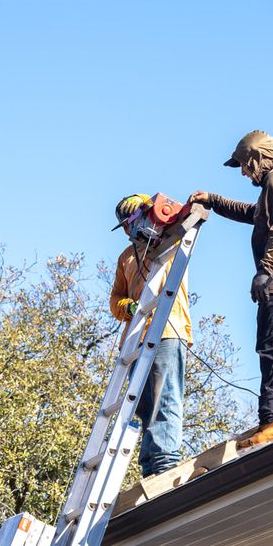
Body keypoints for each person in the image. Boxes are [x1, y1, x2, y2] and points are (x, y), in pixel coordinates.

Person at [189, 130, 273, 448]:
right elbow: (255, 215)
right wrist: (214, 201)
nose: (243, 171)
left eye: (244, 164)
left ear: (257, 158)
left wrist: (265, 272)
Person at [110, 193, 192, 477]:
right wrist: (129, 307)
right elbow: (115, 299)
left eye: (131, 222)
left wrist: (162, 216)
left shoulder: (170, 240)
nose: (127, 231)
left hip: (166, 330)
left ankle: (165, 462)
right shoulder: (126, 257)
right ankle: (150, 468)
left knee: (164, 398)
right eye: (124, 226)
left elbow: (183, 217)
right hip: (134, 340)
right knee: (144, 407)